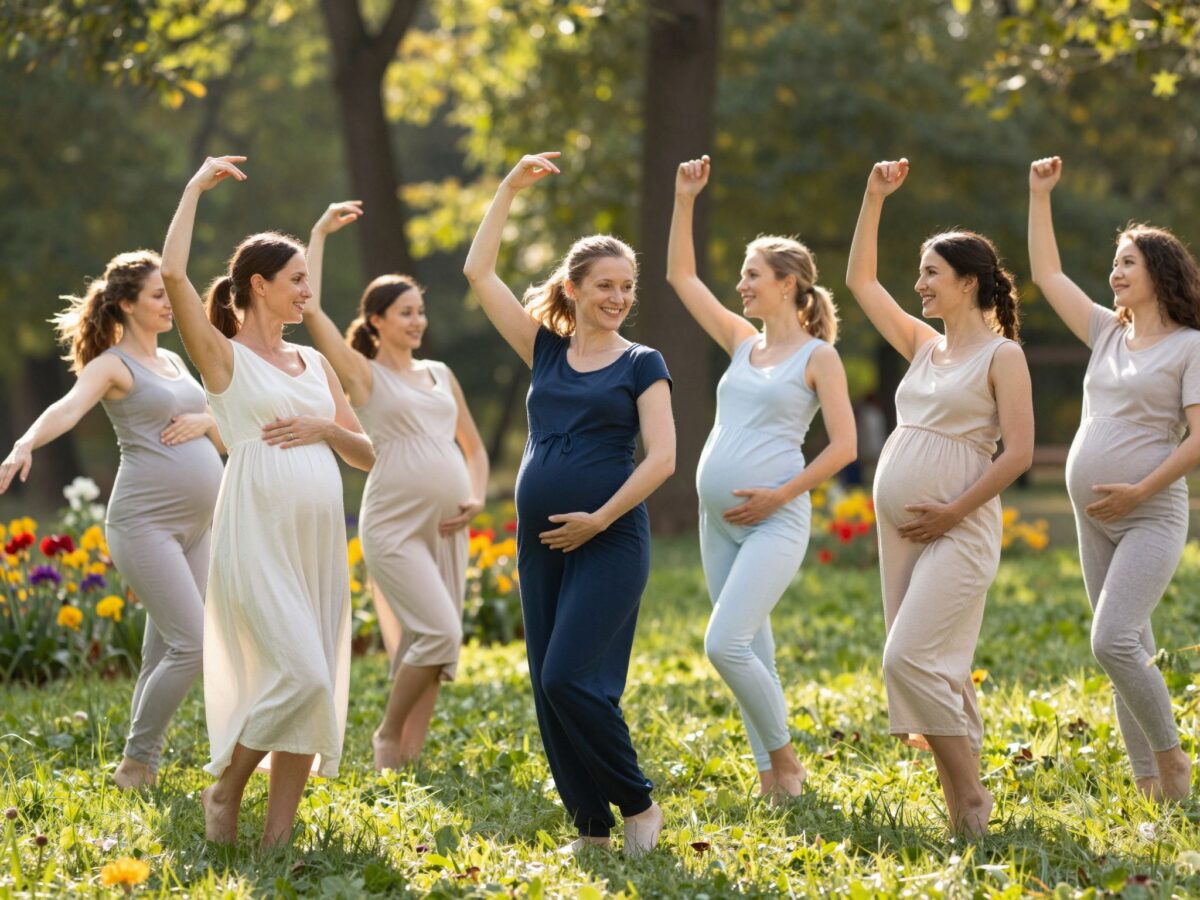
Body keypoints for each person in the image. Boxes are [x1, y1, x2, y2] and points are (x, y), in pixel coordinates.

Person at [160, 155, 375, 847]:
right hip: (256, 532)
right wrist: (194, 189)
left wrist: (324, 428)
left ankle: (276, 841)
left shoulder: (315, 363)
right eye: (297, 280)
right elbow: (173, 275)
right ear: (259, 285)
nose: (308, 292)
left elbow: (367, 453)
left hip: (317, 542)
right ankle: (226, 786)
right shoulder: (223, 356)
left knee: (313, 686)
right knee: (301, 675)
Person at [463, 152, 674, 856]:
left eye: (627, 286)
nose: (618, 297)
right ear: (574, 288)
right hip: (541, 542)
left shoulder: (642, 363)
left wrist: (600, 519)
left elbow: (664, 458)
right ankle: (590, 827)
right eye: (605, 285)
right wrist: (507, 188)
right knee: (546, 686)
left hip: (609, 536)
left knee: (571, 676)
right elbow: (479, 273)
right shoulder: (545, 351)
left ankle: (638, 803)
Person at [846, 158, 1034, 836]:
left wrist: (953, 510)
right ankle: (964, 819)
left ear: (968, 282)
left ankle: (973, 795)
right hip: (902, 531)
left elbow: (1018, 452)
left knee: (908, 659)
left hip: (960, 525)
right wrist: (874, 198)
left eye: (931, 273)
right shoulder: (923, 347)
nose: (919, 284)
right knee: (938, 669)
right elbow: (859, 282)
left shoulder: (1002, 356)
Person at [667, 155, 856, 798]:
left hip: (775, 518)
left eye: (752, 274)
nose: (741, 285)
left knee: (725, 645)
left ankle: (787, 759)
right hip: (717, 521)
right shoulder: (742, 342)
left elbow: (845, 447)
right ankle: (775, 783)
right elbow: (681, 276)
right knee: (754, 650)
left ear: (787, 283)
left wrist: (779, 495)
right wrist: (685, 199)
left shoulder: (819, 357)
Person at [0, 250, 224, 791]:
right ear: (126, 304)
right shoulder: (112, 365)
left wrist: (206, 420)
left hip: (198, 527)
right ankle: (134, 763)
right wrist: (25, 443)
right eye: (158, 295)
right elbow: (68, 407)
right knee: (193, 645)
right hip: (145, 524)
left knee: (162, 651)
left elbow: (220, 433)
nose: (170, 303)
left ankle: (141, 767)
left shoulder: (172, 360)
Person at [1029, 155, 1200, 802]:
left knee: (1113, 641)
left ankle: (1172, 760)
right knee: (1131, 648)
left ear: (1159, 271)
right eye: (1114, 263)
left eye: (1128, 262)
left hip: (1151, 513)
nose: (1115, 272)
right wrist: (1039, 195)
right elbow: (1047, 274)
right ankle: (1149, 782)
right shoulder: (1106, 331)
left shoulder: (1190, 346)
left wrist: (1140, 490)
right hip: (1094, 516)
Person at [304, 200, 489, 770]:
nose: (417, 321)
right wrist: (319, 234)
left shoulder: (441, 375)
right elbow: (311, 311)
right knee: (440, 633)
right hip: (394, 526)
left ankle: (406, 758)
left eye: (420, 312)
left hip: (447, 527)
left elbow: (475, 449)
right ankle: (386, 736)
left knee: (425, 643)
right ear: (376, 320)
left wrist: (476, 496)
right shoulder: (364, 375)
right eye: (405, 313)